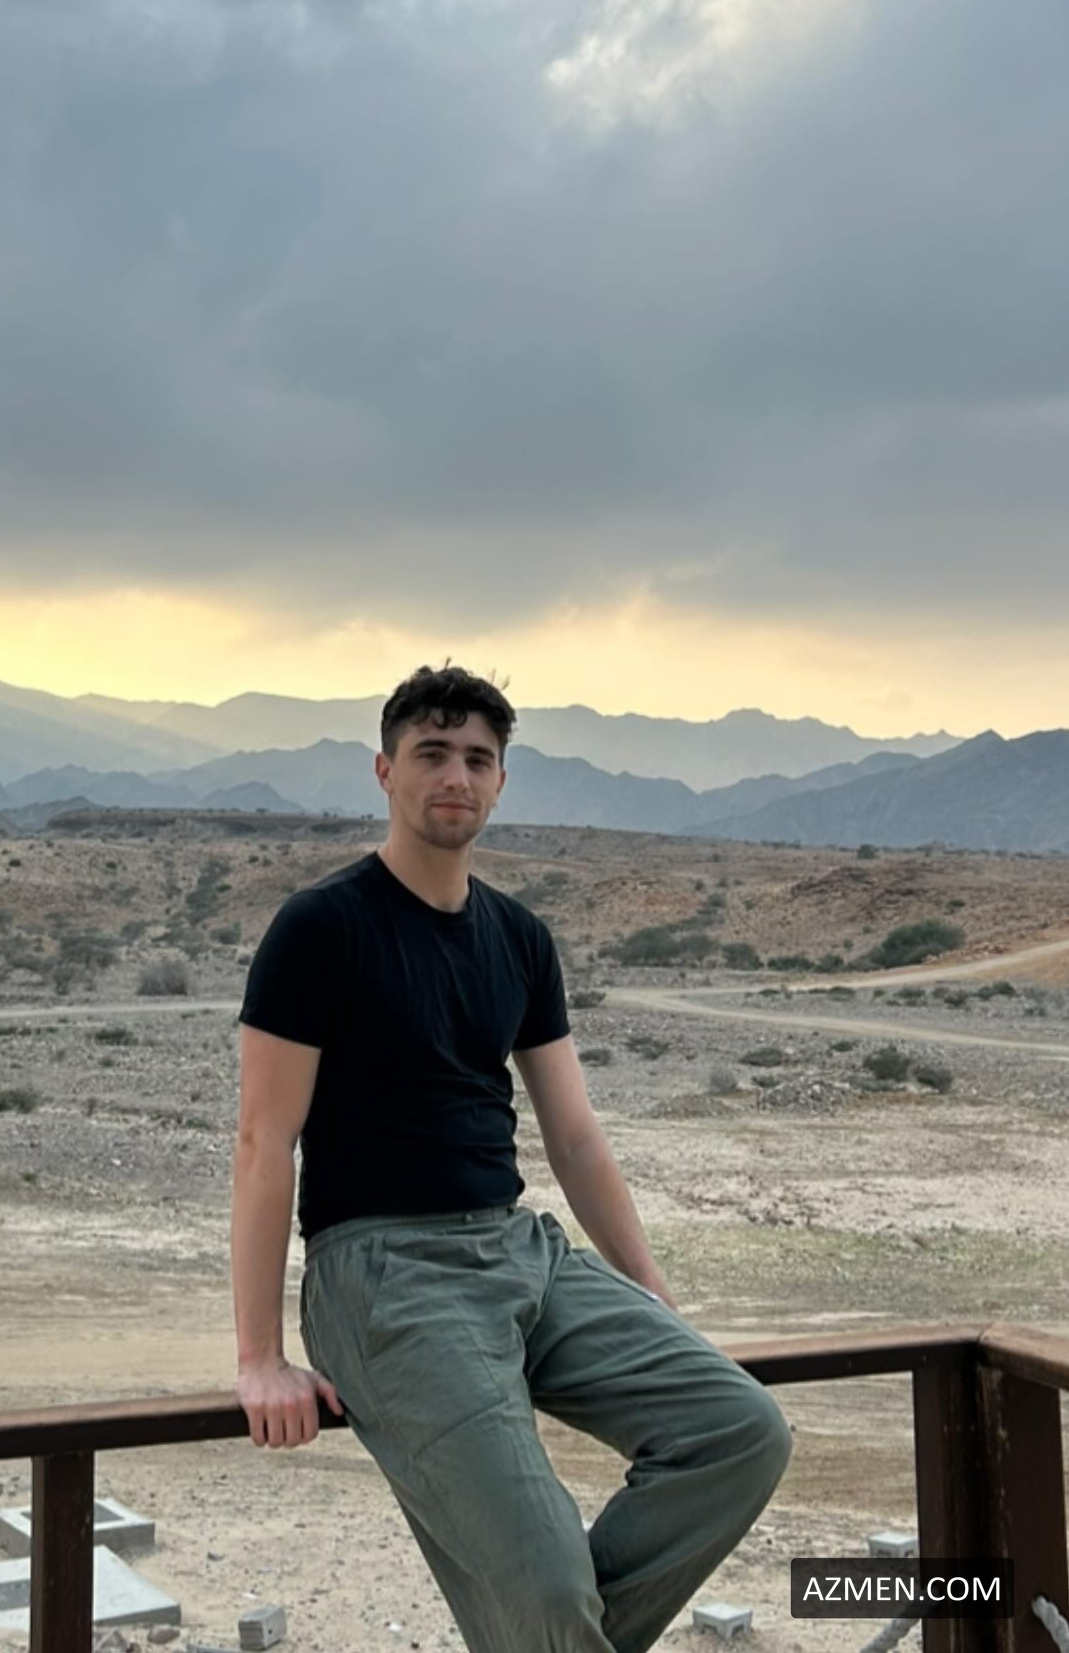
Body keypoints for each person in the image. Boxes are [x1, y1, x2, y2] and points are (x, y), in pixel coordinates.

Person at [232, 661, 792, 1653]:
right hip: (384, 1274)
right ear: (385, 771)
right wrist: (260, 1357)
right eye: (432, 753)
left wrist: (648, 1287)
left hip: (518, 1249)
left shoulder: (520, 937)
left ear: (500, 782)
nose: (456, 775)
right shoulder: (321, 927)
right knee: (542, 1582)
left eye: (478, 758)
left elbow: (573, 1135)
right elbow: (262, 1142)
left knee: (741, 1431)